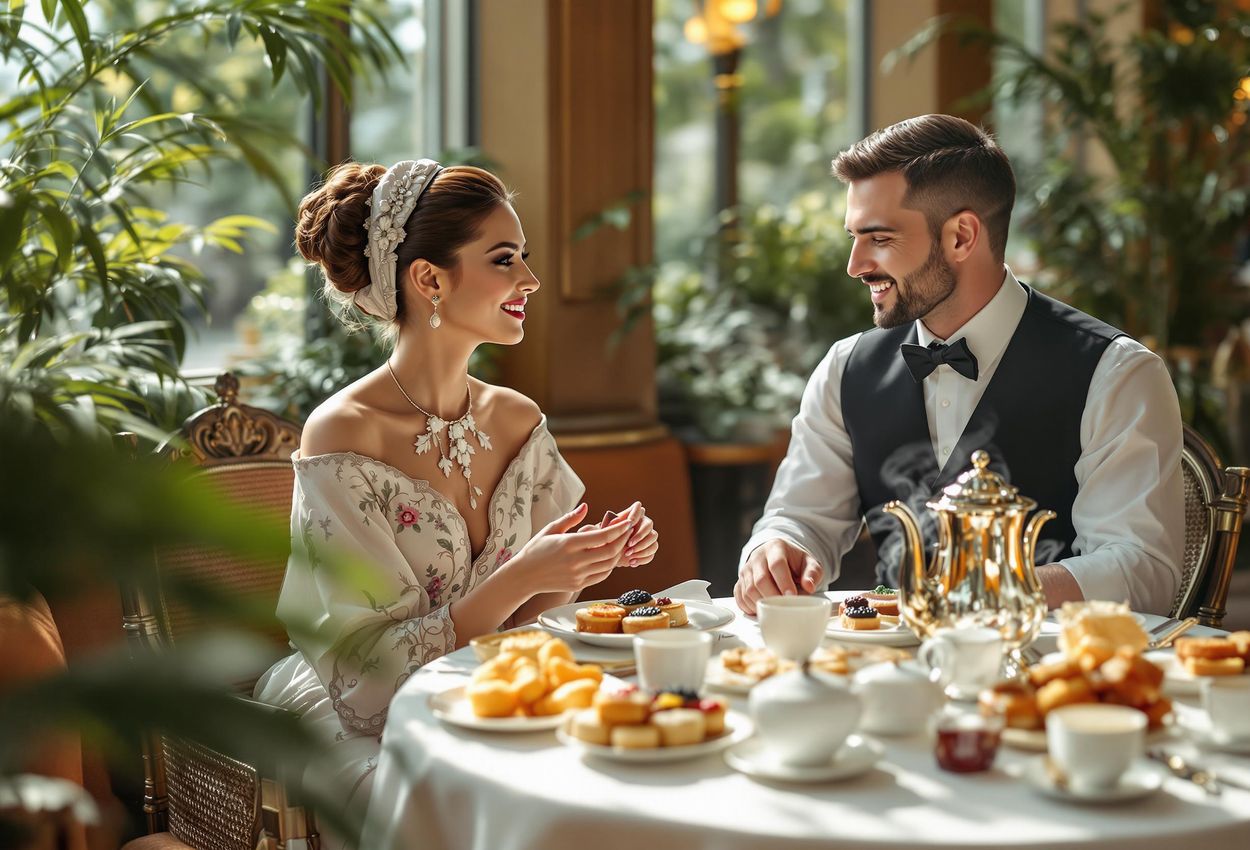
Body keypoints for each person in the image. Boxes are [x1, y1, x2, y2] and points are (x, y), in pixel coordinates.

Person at [254, 160, 659, 839]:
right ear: (430, 279)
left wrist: (584, 565)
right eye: (505, 260)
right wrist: (526, 571)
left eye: (524, 258)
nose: (530, 280)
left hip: (491, 695)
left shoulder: (518, 421)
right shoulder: (344, 435)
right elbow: (366, 687)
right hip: (361, 717)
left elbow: (536, 624)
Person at [734, 114, 1183, 617]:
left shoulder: (1116, 372)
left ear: (961, 238)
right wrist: (774, 550)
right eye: (853, 238)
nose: (855, 265)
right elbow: (800, 517)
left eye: (879, 239)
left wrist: (986, 594)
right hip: (887, 674)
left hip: (1047, 675)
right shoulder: (844, 368)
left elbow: (1143, 572)